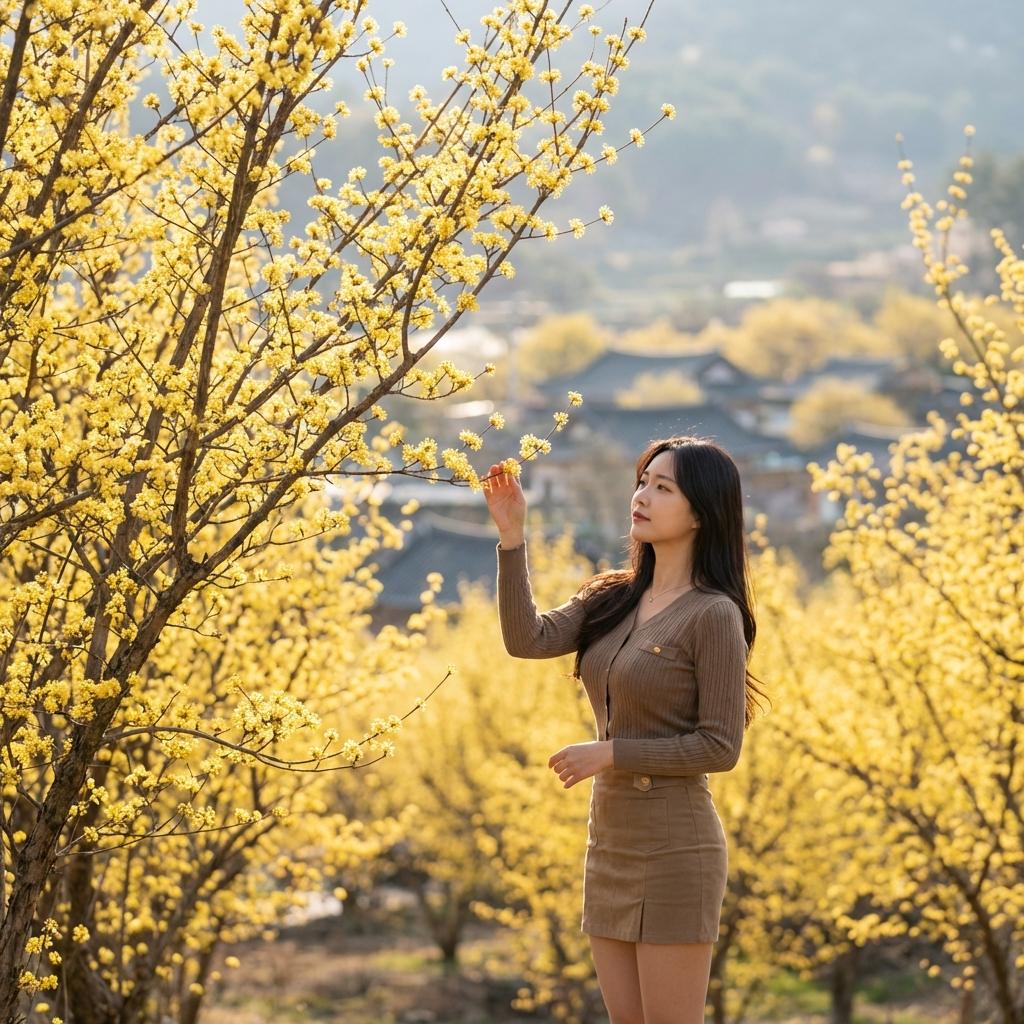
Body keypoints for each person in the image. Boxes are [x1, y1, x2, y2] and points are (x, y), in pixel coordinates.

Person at [482, 436, 766, 1024]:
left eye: (664, 488)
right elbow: (526, 639)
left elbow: (720, 745)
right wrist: (513, 540)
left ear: (701, 512)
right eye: (642, 481)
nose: (642, 496)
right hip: (609, 839)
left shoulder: (714, 613)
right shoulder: (611, 594)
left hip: (676, 845)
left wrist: (613, 753)